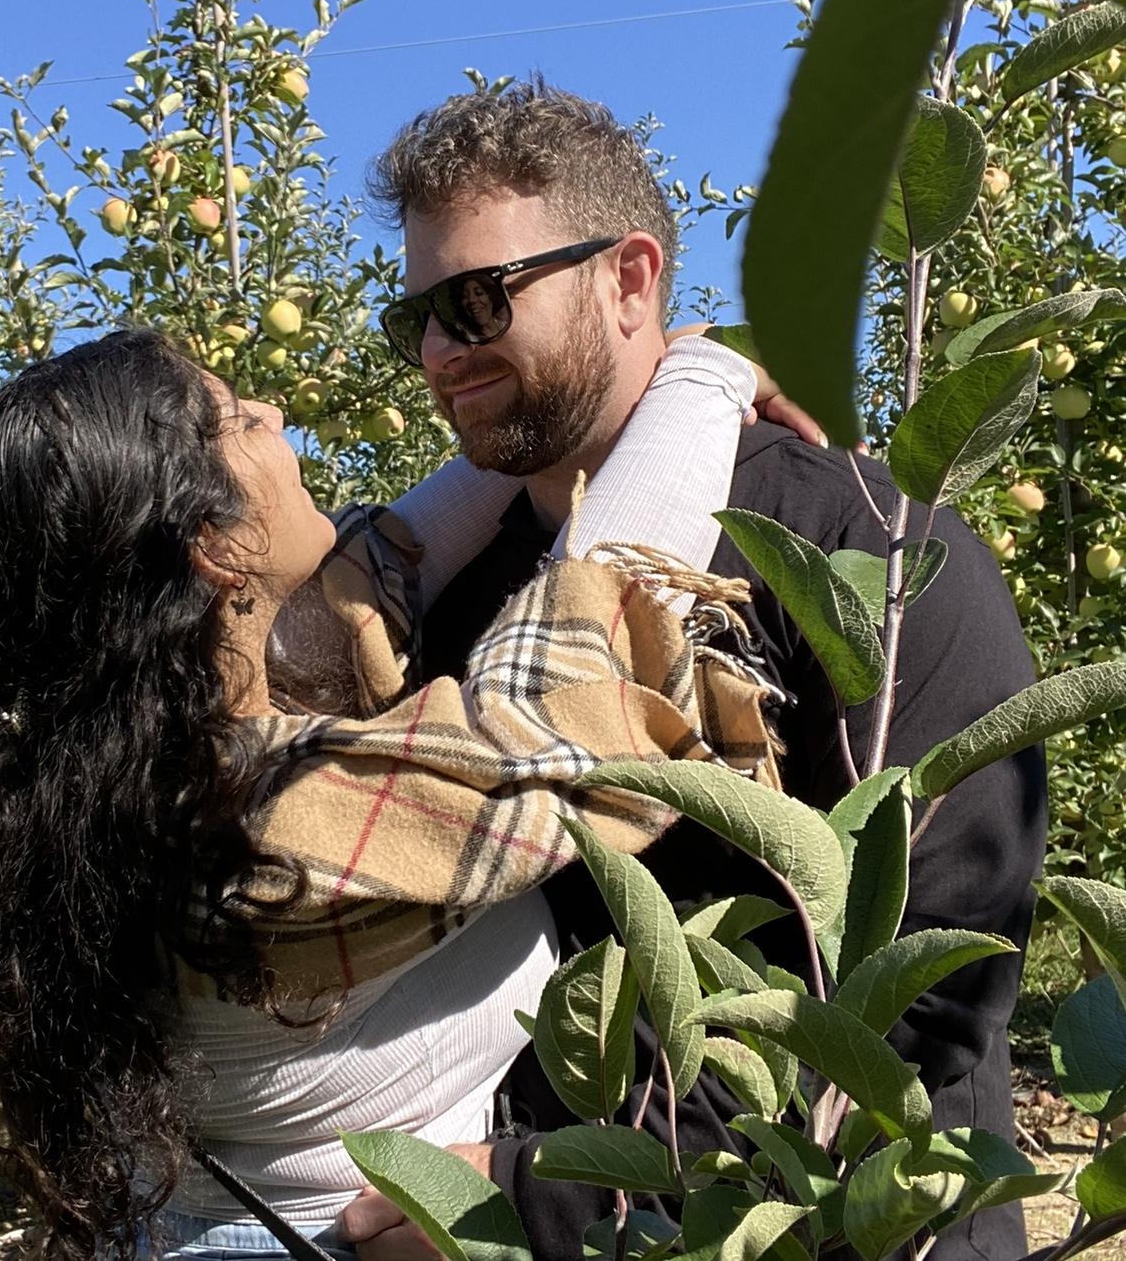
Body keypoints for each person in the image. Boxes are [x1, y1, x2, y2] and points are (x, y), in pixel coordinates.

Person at [340, 78, 1048, 1261]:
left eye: (475, 300)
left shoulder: (863, 551)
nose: (438, 352)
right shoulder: (460, 596)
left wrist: (540, 1195)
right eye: (412, 317)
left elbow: (931, 986)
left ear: (630, 280)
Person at [0, 322, 797, 1261]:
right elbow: (570, 677)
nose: (275, 411)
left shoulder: (97, 779)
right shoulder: (267, 826)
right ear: (212, 545)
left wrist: (566, 406)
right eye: (238, 420)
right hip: (343, 1237)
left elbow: (378, 566)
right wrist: (707, 373)